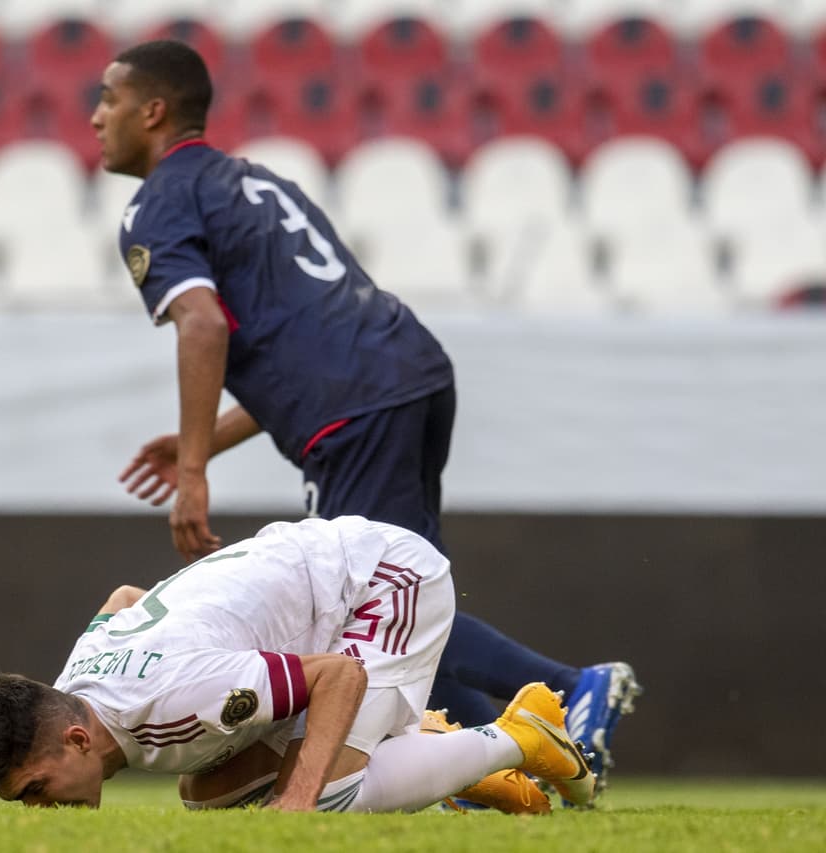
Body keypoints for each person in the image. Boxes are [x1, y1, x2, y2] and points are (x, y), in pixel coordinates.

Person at [91, 39, 640, 794]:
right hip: (406, 368)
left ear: (152, 111)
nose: (96, 116)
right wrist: (208, 441)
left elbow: (202, 325)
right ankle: (502, 763)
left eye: (109, 99)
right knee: (406, 608)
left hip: (353, 411)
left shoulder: (158, 203)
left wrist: (191, 475)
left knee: (375, 595)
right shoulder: (256, 182)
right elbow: (309, 334)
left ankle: (571, 687)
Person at [0, 516, 594, 812]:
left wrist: (294, 804)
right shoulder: (76, 684)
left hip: (383, 577)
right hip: (316, 578)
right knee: (208, 794)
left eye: (36, 790)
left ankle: (520, 734)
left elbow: (337, 677)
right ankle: (433, 752)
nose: (36, 812)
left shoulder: (173, 700)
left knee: (322, 801)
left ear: (76, 739)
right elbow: (125, 601)